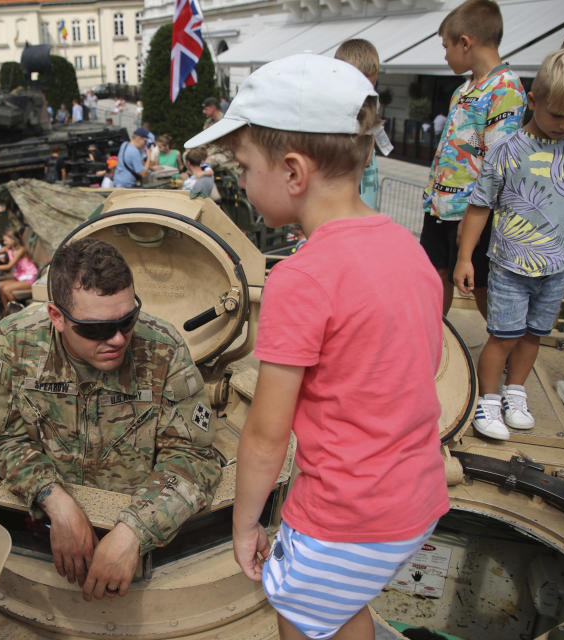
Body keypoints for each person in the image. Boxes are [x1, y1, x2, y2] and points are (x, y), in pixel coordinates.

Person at [186, 54, 449, 640]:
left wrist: (245, 524)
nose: (243, 182)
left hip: (343, 517)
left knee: (301, 620)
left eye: (246, 167)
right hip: (415, 501)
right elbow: (420, 367)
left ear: (294, 172)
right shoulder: (409, 251)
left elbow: (265, 433)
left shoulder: (302, 279)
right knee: (339, 607)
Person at [0, 237, 221, 601]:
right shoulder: (14, 343)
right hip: (42, 539)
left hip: (144, 540)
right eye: (95, 329)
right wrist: (53, 500)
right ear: (57, 317)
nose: (118, 339)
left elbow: (193, 458)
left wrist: (133, 533)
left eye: (128, 320)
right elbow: (4, 438)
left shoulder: (163, 349)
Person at [453, 46, 564, 441]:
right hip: (511, 265)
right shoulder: (507, 151)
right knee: (504, 335)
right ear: (533, 101)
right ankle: (487, 398)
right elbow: (479, 207)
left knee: (533, 334)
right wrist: (464, 257)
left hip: (557, 268)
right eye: (558, 114)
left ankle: (516, 390)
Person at [421, 0, 527, 317]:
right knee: (436, 275)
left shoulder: (505, 89)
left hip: (472, 212)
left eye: (446, 46)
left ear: (465, 42)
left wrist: (472, 219)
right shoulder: (463, 89)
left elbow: (498, 163)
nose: (445, 55)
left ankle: (503, 349)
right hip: (439, 205)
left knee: (479, 283)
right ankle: (432, 337)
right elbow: (468, 144)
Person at [335, 39, 381, 210]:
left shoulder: (371, 104)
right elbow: (366, 157)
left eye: (370, 87)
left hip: (363, 198)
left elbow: (368, 157)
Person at [0, 227, 37, 311]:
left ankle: (18, 311)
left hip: (30, 277)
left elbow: (9, 266)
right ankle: (7, 309)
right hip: (21, 276)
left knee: (6, 289)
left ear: (13, 240)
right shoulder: (8, 249)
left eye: (6, 240)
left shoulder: (21, 250)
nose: (4, 243)